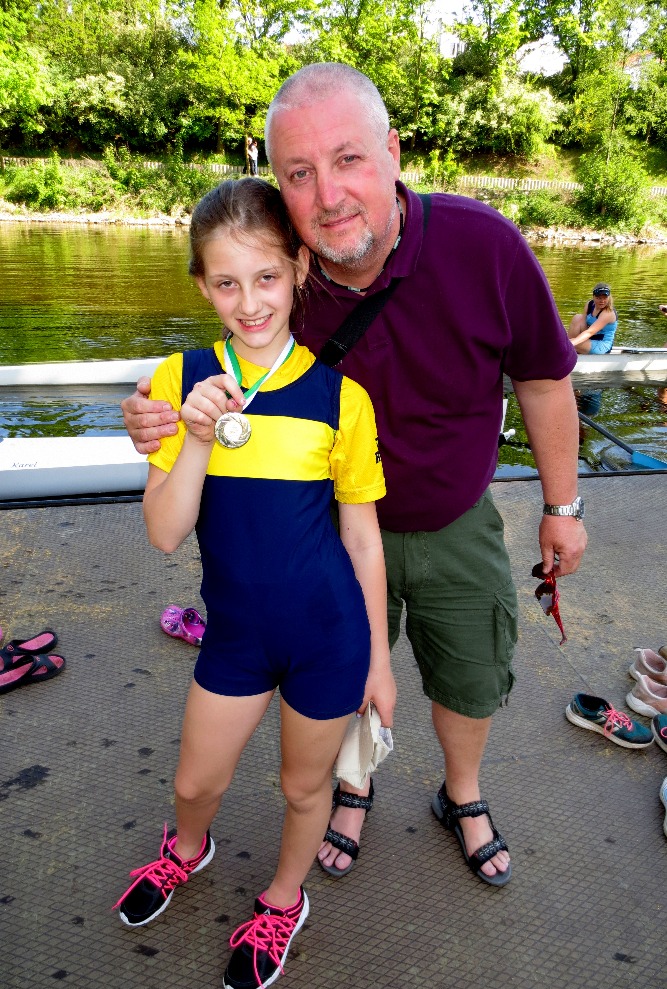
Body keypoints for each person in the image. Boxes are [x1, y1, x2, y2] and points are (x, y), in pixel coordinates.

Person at [121, 62, 587, 887]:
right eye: (299, 173)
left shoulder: (484, 244)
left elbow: (545, 380)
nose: (328, 195)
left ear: (392, 152)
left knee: (472, 671)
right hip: (321, 531)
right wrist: (153, 418)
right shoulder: (279, 269)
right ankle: (351, 785)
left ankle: (462, 793)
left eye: (347, 160)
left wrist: (562, 506)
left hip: (451, 517)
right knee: (337, 673)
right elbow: (216, 363)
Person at [114, 177, 395, 989]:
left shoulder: (341, 399)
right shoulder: (178, 380)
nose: (249, 302)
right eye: (226, 282)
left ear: (300, 269)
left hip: (328, 636)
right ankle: (186, 850)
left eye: (266, 277)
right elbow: (165, 533)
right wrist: (198, 435)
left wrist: (378, 661)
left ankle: (282, 900)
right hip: (235, 637)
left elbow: (360, 538)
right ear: (201, 285)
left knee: (303, 788)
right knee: (193, 783)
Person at [568, 282, 618, 354]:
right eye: (599, 298)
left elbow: (590, 332)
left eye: (605, 298)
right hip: (590, 338)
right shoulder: (589, 304)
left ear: (609, 297)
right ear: (593, 297)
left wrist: (571, 342)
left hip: (602, 344)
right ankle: (571, 349)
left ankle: (569, 348)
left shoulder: (608, 313)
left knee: (568, 344)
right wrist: (571, 340)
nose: (602, 301)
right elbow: (583, 324)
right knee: (577, 317)